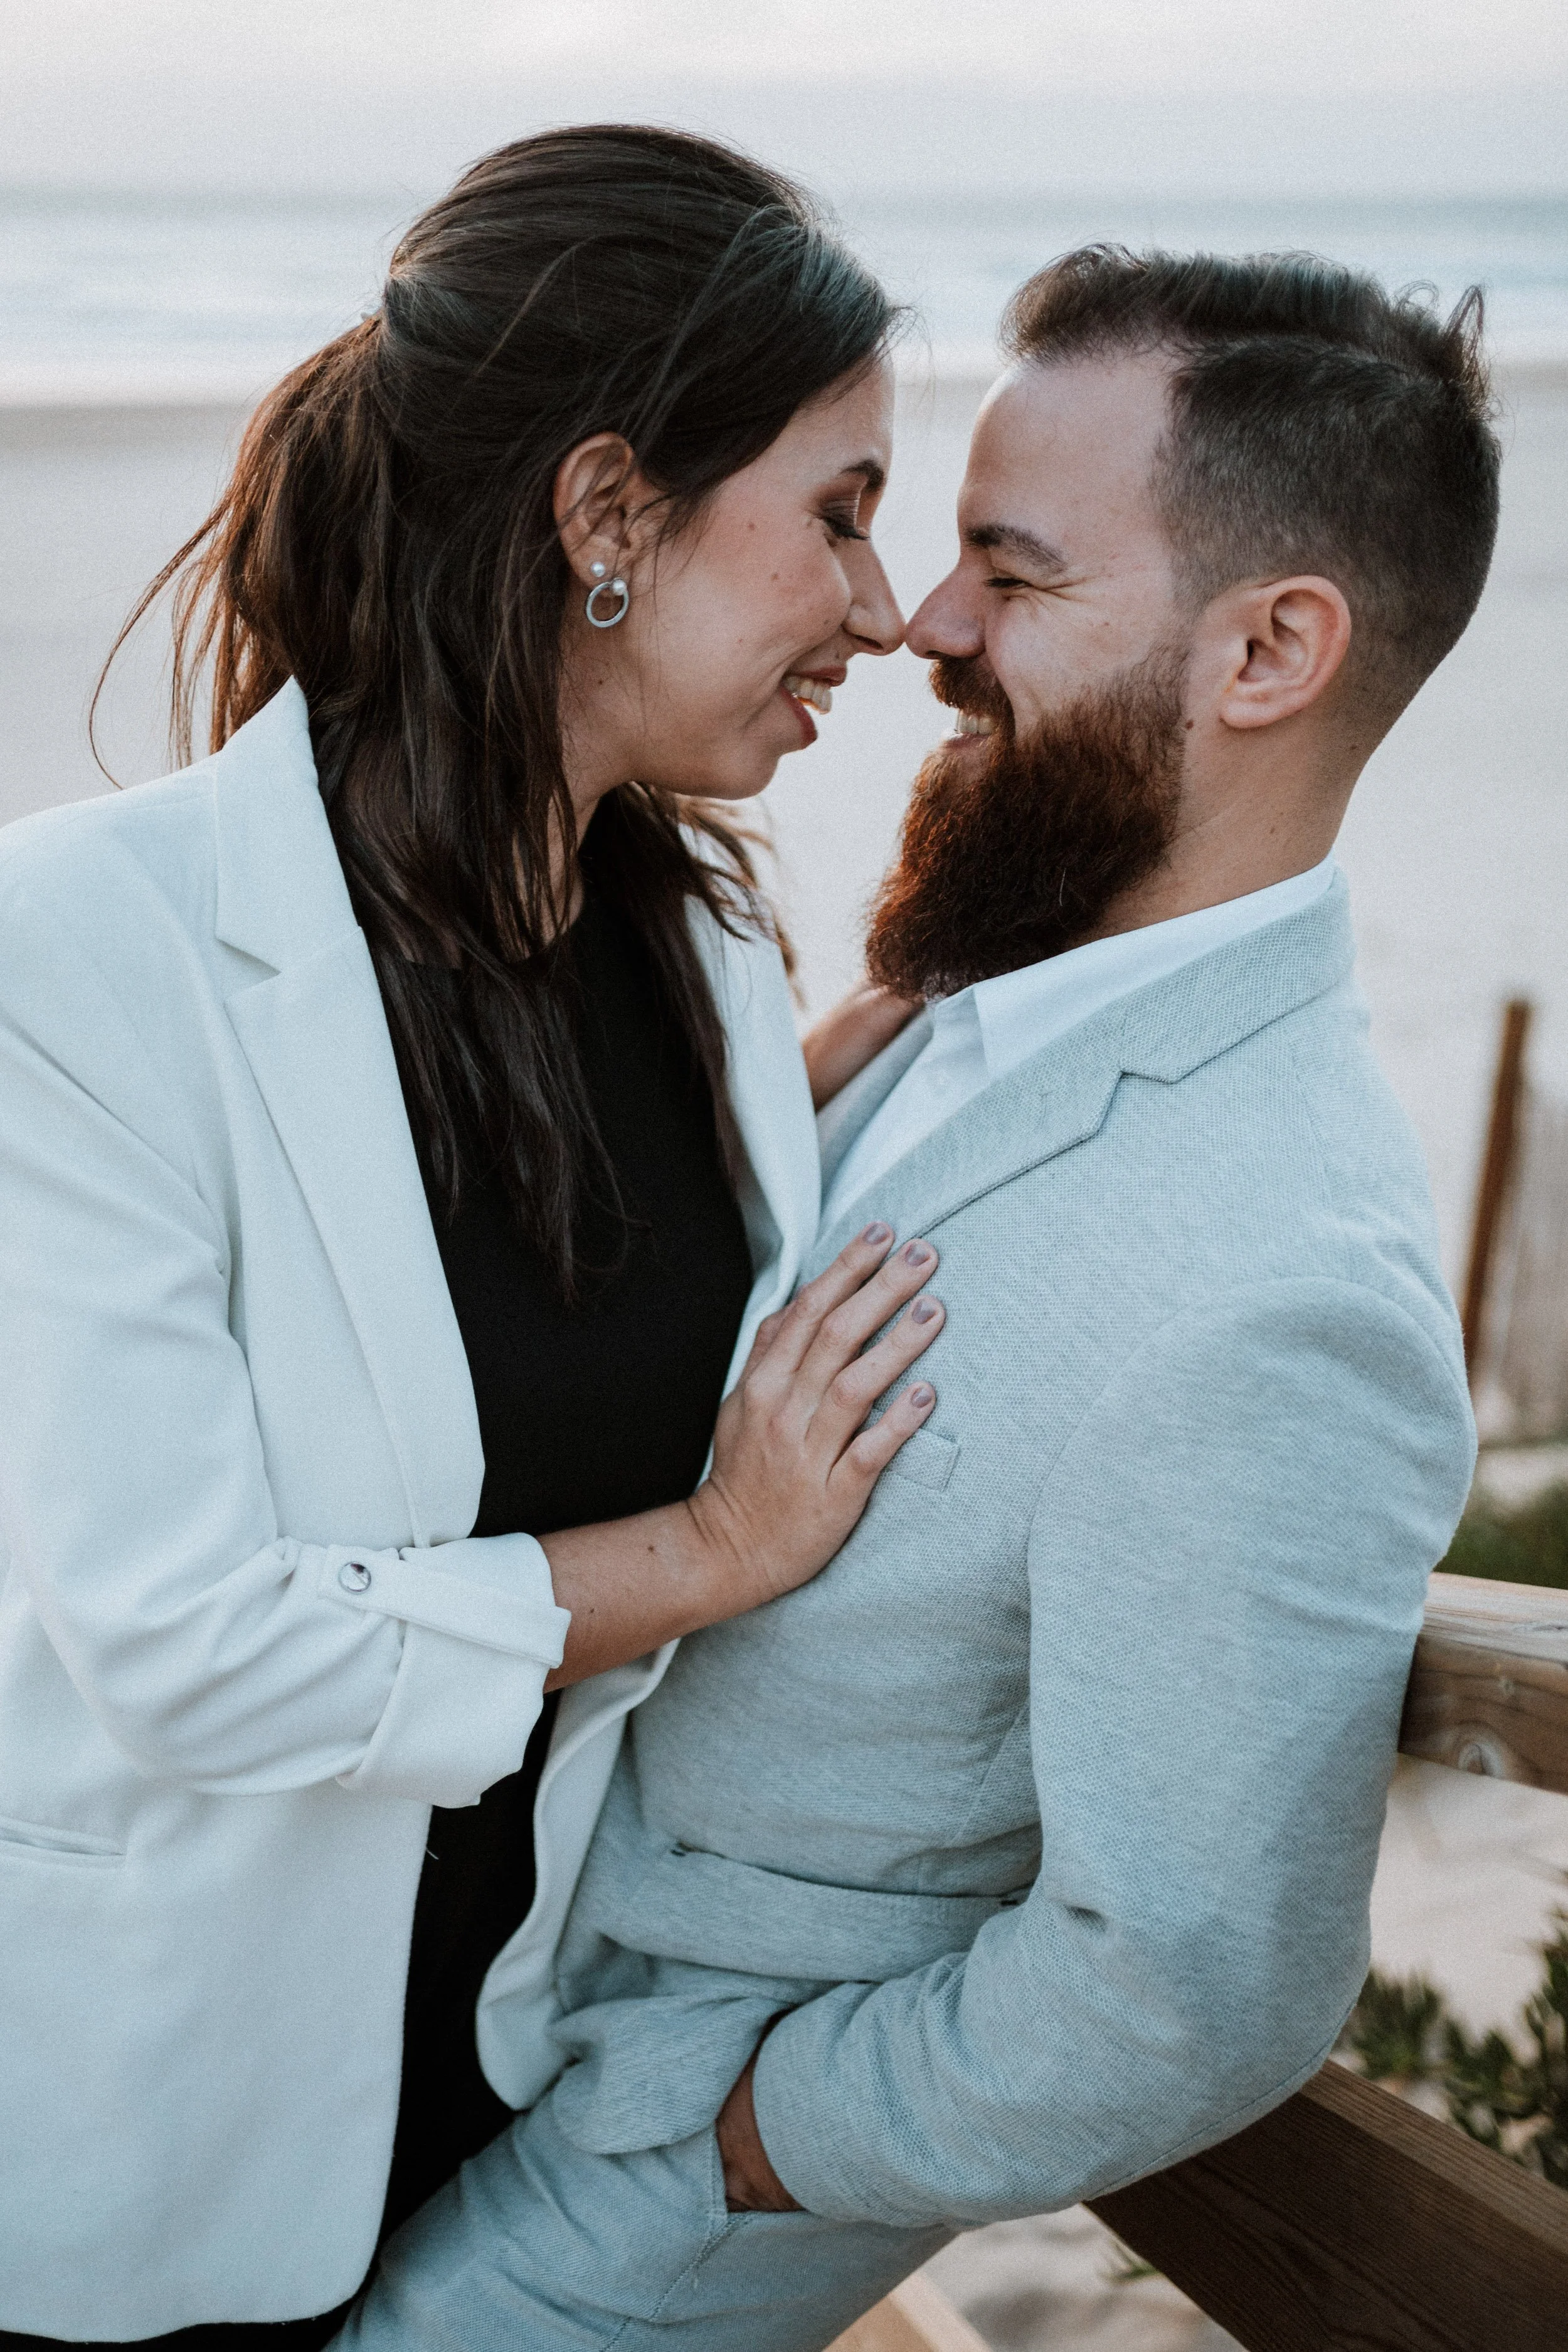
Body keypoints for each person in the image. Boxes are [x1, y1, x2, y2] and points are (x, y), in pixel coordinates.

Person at [336, 249, 1497, 2352]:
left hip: (623, 2198)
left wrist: (758, 2136)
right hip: (425, 2020)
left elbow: (1190, 1979)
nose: (920, 624)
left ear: (1268, 650)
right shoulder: (974, 993)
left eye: (1009, 571)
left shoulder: (1276, 1285)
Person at [0, 129, 950, 2348]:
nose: (884, 612)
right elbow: (185, 1643)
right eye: (836, 510)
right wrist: (710, 1552)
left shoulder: (701, 960)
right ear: (607, 515)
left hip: (513, 2094)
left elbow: (552, 1275)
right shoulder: (85, 951)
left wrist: (936, 1001)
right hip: (137, 2154)